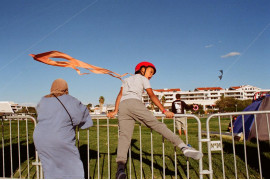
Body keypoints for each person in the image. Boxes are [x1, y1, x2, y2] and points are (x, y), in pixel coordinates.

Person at [107, 62, 203, 179]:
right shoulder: (143, 79)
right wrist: (164, 111)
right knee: (158, 125)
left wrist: (115, 111)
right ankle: (183, 146)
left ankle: (120, 170)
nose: (151, 75)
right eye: (150, 72)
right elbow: (151, 95)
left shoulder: (126, 79)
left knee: (124, 137)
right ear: (142, 70)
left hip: (123, 106)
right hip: (134, 103)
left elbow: (120, 95)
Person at [33, 79, 93, 179]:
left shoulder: (43, 100)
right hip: (59, 138)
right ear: (66, 89)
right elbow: (81, 115)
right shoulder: (70, 100)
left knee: (50, 168)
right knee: (73, 168)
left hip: (40, 139)